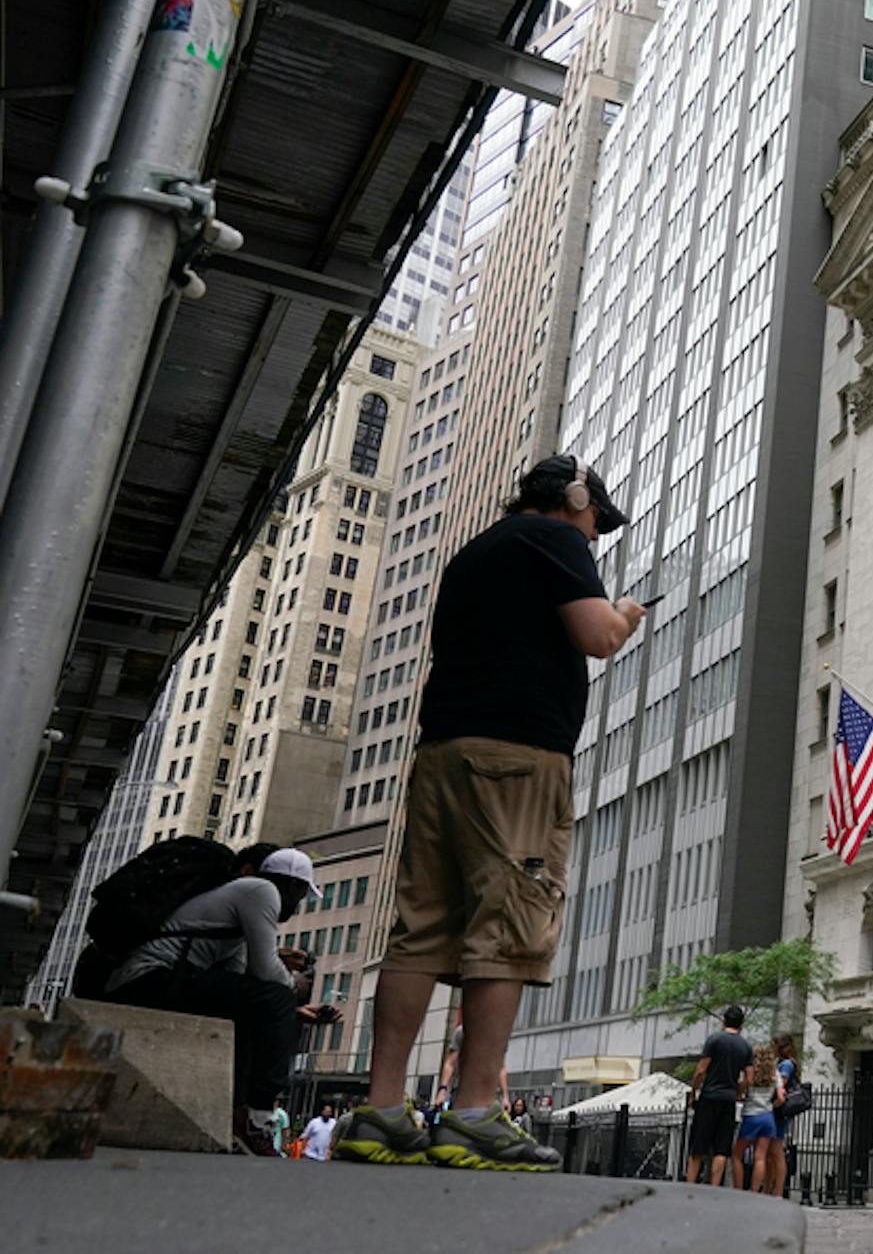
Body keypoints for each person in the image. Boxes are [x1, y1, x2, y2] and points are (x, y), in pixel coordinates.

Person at [338, 455, 643, 1173]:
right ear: (574, 499)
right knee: (509, 921)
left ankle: (381, 1109)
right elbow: (596, 634)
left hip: (444, 749)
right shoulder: (554, 540)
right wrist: (624, 614)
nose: (596, 537)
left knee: (421, 926)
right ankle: (475, 1111)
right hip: (518, 752)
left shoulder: (475, 552)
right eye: (597, 520)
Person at [103, 847, 341, 1156]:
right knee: (277, 995)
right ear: (292, 886)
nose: (297, 905)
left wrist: (292, 1012)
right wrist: (294, 986)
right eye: (300, 895)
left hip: (161, 981)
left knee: (251, 1009)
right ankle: (258, 1117)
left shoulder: (238, 910)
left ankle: (238, 1113)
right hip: (149, 978)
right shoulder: (261, 890)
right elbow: (266, 970)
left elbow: (242, 979)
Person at [686, 1005, 753, 1187]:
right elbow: (750, 1077)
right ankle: (715, 1187)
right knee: (722, 1148)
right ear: (741, 1024)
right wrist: (738, 1091)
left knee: (698, 1145)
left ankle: (690, 1184)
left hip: (709, 1096)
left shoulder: (715, 1039)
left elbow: (701, 1070)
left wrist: (693, 1092)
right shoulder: (745, 1046)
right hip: (729, 1099)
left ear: (724, 1020)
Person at [730, 1043, 781, 1200]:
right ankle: (754, 1192)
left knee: (737, 1155)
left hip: (751, 1116)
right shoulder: (775, 1073)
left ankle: (738, 1189)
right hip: (768, 1116)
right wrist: (771, 1106)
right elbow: (780, 1098)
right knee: (760, 1157)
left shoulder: (750, 1073)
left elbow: (740, 1092)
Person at [438, 1011, 510, 1112]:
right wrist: (442, 1090)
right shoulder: (462, 1032)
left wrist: (505, 1096)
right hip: (462, 1089)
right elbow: (450, 1063)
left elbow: (501, 1067)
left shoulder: (498, 1037)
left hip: (487, 1091)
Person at [762, 1034, 799, 1197]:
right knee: (771, 1152)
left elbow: (780, 1085)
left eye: (774, 1045)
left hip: (779, 1112)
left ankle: (777, 1190)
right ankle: (768, 1188)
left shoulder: (786, 1065)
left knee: (776, 1151)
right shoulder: (785, 1063)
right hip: (776, 1111)